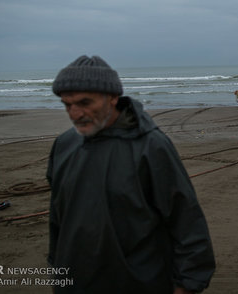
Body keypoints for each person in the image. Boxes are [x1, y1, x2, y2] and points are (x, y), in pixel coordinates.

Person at [47, 55, 215, 293]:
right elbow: (57, 220)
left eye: (85, 103)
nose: (75, 114)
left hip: (138, 283)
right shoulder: (64, 146)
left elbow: (186, 221)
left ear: (113, 98)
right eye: (67, 104)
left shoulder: (151, 147)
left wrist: (187, 285)